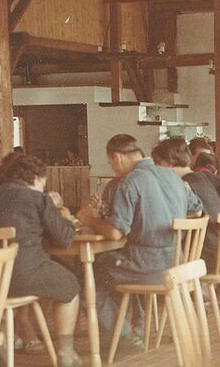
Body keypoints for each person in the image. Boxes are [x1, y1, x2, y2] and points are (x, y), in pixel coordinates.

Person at [76, 134, 202, 334]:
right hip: (177, 261)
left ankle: (124, 336)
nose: (113, 169)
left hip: (147, 267)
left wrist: (88, 219)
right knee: (117, 264)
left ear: (118, 158)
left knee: (87, 278)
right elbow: (197, 210)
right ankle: (137, 323)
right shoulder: (173, 176)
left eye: (111, 163)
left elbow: (116, 233)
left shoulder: (129, 182)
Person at [0, 155, 82, 367]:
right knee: (70, 286)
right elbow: (63, 240)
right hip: (26, 274)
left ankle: (2, 341)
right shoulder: (38, 199)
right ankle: (66, 352)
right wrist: (68, 220)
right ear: (35, 178)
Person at [152, 137, 220, 271]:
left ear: (168, 162)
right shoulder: (205, 178)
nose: (157, 169)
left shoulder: (182, 186)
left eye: (158, 163)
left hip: (200, 259)